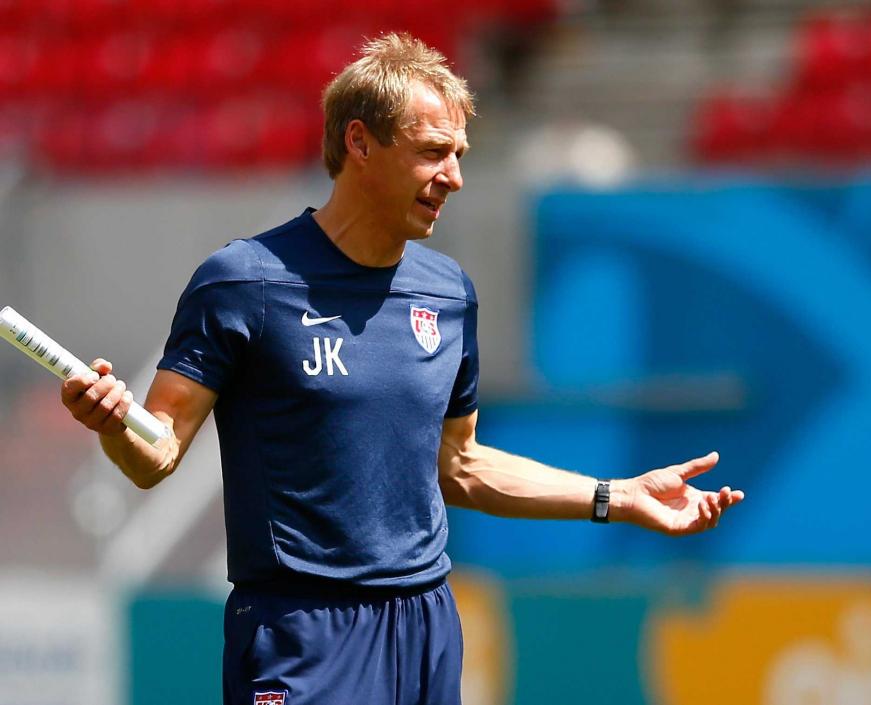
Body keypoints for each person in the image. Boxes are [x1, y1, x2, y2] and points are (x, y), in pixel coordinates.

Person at [60, 32, 744, 705]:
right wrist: (114, 422)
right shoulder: (245, 282)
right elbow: (157, 451)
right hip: (302, 634)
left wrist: (617, 496)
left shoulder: (448, 292)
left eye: (459, 154)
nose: (454, 176)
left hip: (425, 628)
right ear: (360, 143)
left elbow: (461, 464)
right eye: (432, 153)